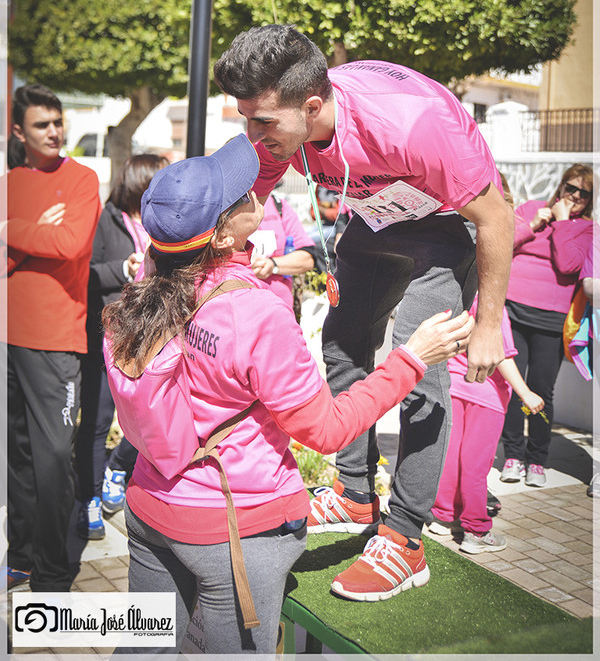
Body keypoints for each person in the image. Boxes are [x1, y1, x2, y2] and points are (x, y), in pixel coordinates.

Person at [102, 134, 474, 654]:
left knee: (142, 649)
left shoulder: (147, 280)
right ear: (225, 235)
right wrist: (411, 358)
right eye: (239, 192)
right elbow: (326, 430)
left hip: (149, 513)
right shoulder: (253, 314)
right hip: (233, 531)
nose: (256, 189)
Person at [213, 24, 514, 601]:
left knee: (421, 365)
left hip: (449, 226)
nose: (253, 134)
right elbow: (248, 201)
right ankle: (354, 492)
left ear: (312, 105)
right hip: (373, 219)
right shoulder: (282, 132)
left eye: (263, 122)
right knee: (343, 342)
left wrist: (489, 325)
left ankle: (405, 537)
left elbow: (497, 218)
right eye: (246, 118)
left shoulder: (412, 126)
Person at [1, 84, 101, 591]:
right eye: (43, 124)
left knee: (52, 459)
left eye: (58, 121)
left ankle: (53, 571)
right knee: (17, 456)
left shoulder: (82, 179)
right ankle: (19, 557)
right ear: (19, 132)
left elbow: (68, 243)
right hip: (9, 336)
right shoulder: (9, 182)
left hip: (58, 341)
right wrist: (26, 229)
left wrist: (9, 229)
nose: (55, 131)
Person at [75, 153, 168, 540]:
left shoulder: (161, 221)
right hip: (106, 336)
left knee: (147, 417)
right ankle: (88, 499)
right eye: (160, 178)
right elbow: (82, 274)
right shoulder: (106, 218)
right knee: (96, 423)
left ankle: (117, 468)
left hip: (150, 335)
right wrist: (123, 270)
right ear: (141, 181)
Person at [500, 164, 594, 487]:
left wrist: (564, 222)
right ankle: (512, 454)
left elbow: (568, 263)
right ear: (561, 185)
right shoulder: (530, 209)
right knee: (514, 387)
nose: (576, 196)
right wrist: (533, 223)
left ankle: (536, 459)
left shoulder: (586, 230)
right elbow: (503, 244)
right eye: (572, 188)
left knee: (542, 390)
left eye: (585, 193)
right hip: (513, 310)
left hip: (551, 321)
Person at [429, 295, 545, 553]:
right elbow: (500, 355)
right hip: (486, 396)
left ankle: (444, 517)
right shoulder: (490, 304)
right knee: (475, 465)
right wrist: (525, 392)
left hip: (453, 387)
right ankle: (477, 530)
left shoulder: (452, 296)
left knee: (450, 456)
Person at [248, 190, 315, 312]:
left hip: (278, 310)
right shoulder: (224, 205)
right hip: (237, 308)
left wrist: (272, 265)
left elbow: (307, 258)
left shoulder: (278, 205)